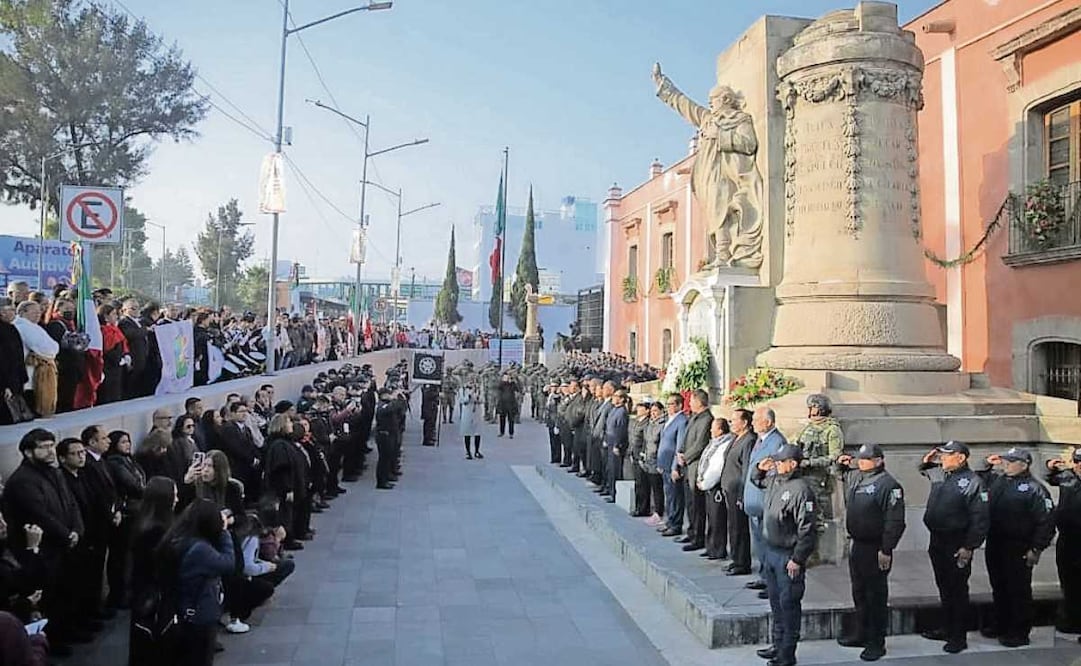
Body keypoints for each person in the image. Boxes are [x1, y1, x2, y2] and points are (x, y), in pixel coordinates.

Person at [2, 429, 84, 656]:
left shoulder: (54, 472)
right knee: (49, 598)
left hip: (64, 543)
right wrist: (66, 534)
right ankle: (54, 643)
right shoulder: (22, 480)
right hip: (43, 549)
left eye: (51, 445)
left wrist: (77, 529)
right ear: (29, 452)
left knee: (67, 593)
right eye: (44, 447)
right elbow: (40, 515)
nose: (50, 450)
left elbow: (71, 503)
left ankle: (70, 631)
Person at [834, 444, 906, 662]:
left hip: (876, 547)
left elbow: (895, 521)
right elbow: (841, 479)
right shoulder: (858, 478)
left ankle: (877, 641)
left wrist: (887, 548)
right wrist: (841, 467)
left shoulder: (889, 485)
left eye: (866, 459)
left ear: (879, 461)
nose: (861, 462)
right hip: (858, 544)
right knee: (859, 593)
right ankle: (862, 633)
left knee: (875, 596)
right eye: (860, 459)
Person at [977, 447, 1054, 647]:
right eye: (1005, 461)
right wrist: (987, 464)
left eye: (1011, 462)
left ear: (1024, 464)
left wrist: (1036, 548)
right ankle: (1001, 624)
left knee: (1018, 590)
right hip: (996, 542)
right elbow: (981, 478)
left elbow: (1046, 521)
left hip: (1019, 546)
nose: (1006, 465)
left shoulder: (1034, 488)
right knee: (999, 586)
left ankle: (1019, 631)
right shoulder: (999, 480)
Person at [918, 440, 989, 654]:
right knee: (944, 588)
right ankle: (947, 628)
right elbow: (926, 471)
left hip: (957, 542)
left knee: (957, 590)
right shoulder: (942, 475)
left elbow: (981, 518)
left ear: (961, 457)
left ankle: (958, 636)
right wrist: (926, 462)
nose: (943, 459)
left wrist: (969, 546)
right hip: (937, 540)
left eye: (947, 455)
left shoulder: (973, 481)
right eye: (942, 455)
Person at [751, 444, 817, 666]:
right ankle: (777, 645)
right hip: (771, 551)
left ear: (793, 464)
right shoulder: (774, 481)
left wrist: (798, 558)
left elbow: (807, 529)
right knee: (775, 603)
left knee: (788, 604)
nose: (777, 464)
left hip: (788, 555)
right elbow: (756, 480)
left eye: (781, 461)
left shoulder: (801, 490)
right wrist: (759, 469)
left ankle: (787, 653)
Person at [159, 499, 236, 666]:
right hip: (199, 614)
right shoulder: (200, 550)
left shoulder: (178, 538)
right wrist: (224, 532)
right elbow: (228, 563)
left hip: (182, 608)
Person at [129, 477, 177, 666]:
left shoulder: (143, 523)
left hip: (144, 592)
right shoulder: (156, 532)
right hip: (155, 595)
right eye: (174, 495)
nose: (177, 499)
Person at [743, 406, 788, 598]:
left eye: (756, 419)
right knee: (760, 542)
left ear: (768, 422)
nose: (752, 422)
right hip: (753, 501)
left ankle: (772, 583)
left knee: (769, 543)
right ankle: (764, 577)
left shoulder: (777, 442)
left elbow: (774, 472)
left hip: (765, 501)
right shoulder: (760, 441)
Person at [106, 430, 146, 610]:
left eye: (128, 441)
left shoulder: (130, 460)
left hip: (137, 511)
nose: (128, 445)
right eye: (123, 442)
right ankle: (120, 595)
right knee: (121, 557)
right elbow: (131, 484)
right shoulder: (115, 462)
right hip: (127, 513)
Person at [1046, 447, 1081, 636]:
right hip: (1068, 538)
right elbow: (1049, 477)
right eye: (1077, 462)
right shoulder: (1067, 476)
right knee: (1068, 580)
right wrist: (1050, 466)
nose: (1080, 466)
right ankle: (1071, 619)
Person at [262, 414, 310, 549]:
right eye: (288, 422)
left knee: (289, 513)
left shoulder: (284, 443)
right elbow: (282, 469)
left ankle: (290, 537)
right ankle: (286, 540)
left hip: (290, 486)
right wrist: (287, 488)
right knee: (285, 515)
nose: (291, 425)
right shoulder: (279, 445)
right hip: (283, 489)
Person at [721, 408, 755, 576]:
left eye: (734, 420)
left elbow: (746, 468)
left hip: (738, 490)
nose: (731, 423)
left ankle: (742, 562)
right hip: (729, 488)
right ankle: (735, 558)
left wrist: (742, 494)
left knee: (739, 527)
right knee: (733, 526)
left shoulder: (749, 440)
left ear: (745, 422)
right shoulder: (735, 438)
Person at [13, 300, 59, 417]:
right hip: (30, 373)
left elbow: (54, 347)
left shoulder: (35, 327)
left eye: (39, 312)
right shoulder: (23, 327)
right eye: (34, 312)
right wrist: (51, 351)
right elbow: (44, 348)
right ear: (22, 313)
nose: (38, 315)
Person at [697, 417, 733, 561]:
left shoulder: (724, 444)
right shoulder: (714, 442)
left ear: (720, 430)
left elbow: (717, 467)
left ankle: (718, 549)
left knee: (717, 519)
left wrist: (705, 483)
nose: (711, 430)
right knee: (711, 518)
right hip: (706, 483)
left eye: (714, 428)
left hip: (715, 486)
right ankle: (710, 546)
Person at [657, 394, 688, 537]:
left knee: (675, 496)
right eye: (667, 404)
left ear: (679, 405)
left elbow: (679, 445)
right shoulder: (669, 420)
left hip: (672, 465)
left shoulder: (681, 421)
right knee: (668, 494)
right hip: (664, 463)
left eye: (671, 404)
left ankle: (676, 524)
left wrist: (676, 467)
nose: (668, 407)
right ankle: (669, 521)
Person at [0, 298, 29, 425]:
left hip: (15, 379)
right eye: (11, 310)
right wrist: (5, 385)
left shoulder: (11, 328)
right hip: (5, 380)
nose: (14, 313)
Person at [97, 303, 131, 405]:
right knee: (109, 395)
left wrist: (125, 355)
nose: (116, 316)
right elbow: (108, 349)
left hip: (117, 368)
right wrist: (118, 358)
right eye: (113, 314)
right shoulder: (105, 331)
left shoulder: (115, 329)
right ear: (106, 317)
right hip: (109, 367)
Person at [602, 390, 629, 503]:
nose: (613, 398)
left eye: (616, 396)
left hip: (615, 443)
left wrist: (617, 445)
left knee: (615, 469)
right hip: (609, 440)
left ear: (622, 399)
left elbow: (620, 430)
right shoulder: (614, 409)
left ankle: (615, 494)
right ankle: (610, 489)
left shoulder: (622, 412)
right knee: (610, 468)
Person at [458, 382, 483, 460]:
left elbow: (482, 400)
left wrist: (477, 397)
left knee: (477, 432)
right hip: (467, 412)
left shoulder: (479, 389)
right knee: (467, 432)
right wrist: (469, 395)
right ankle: (468, 451)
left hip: (476, 412)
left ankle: (477, 451)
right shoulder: (463, 390)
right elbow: (462, 401)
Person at [496, 373, 519, 438]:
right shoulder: (502, 384)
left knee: (511, 419)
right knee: (502, 419)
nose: (507, 378)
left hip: (511, 404)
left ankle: (511, 433)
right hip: (502, 403)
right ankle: (501, 432)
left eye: (508, 377)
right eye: (505, 377)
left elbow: (517, 389)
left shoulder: (513, 384)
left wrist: (513, 382)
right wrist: (503, 382)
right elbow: (498, 388)